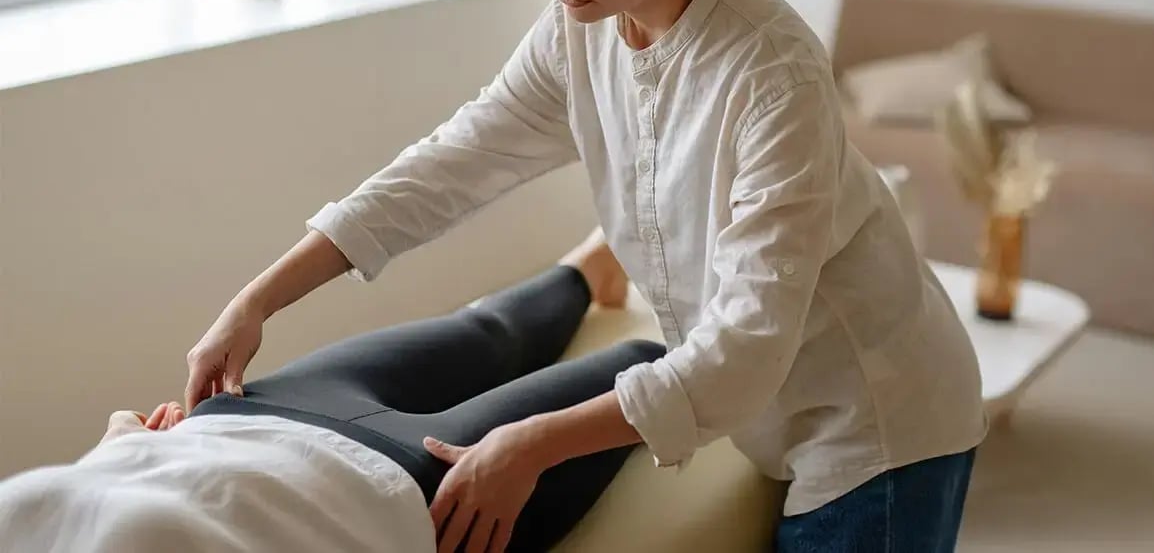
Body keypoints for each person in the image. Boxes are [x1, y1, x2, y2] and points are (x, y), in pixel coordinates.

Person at [186, 0, 988, 551]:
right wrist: (257, 300)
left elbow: (745, 349)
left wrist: (531, 445)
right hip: (763, 405)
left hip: (875, 415)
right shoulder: (581, 29)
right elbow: (446, 168)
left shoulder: (773, 75)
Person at [0, 238, 661, 552]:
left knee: (485, 330)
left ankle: (588, 266)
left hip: (248, 415)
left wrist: (120, 446)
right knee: (642, 363)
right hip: (410, 493)